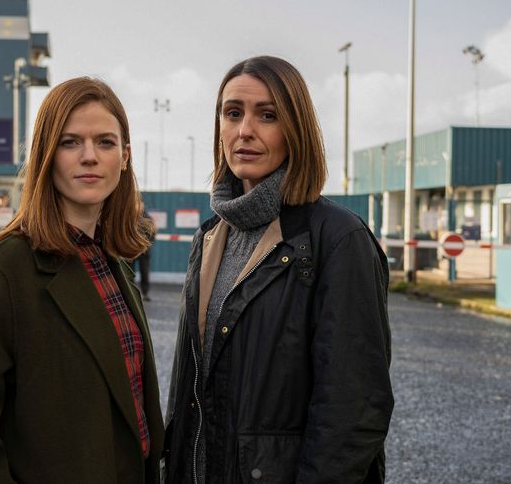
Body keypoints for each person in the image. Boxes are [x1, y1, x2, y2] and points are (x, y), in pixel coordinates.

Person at [163, 56, 393, 483]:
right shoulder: (210, 237)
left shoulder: (338, 239)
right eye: (233, 113)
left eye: (267, 115)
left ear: (296, 129)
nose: (244, 130)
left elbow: (353, 410)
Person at [0, 77, 164, 484]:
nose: (90, 157)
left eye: (106, 142)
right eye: (70, 142)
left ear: (125, 157)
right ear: (46, 155)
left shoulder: (113, 263)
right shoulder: (1, 274)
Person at [136, 209, 157, 300]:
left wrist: (146, 245)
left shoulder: (147, 218)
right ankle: (131, 293)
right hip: (132, 250)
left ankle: (145, 293)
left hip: (143, 251)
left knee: (144, 272)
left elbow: (152, 233)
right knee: (129, 272)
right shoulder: (129, 215)